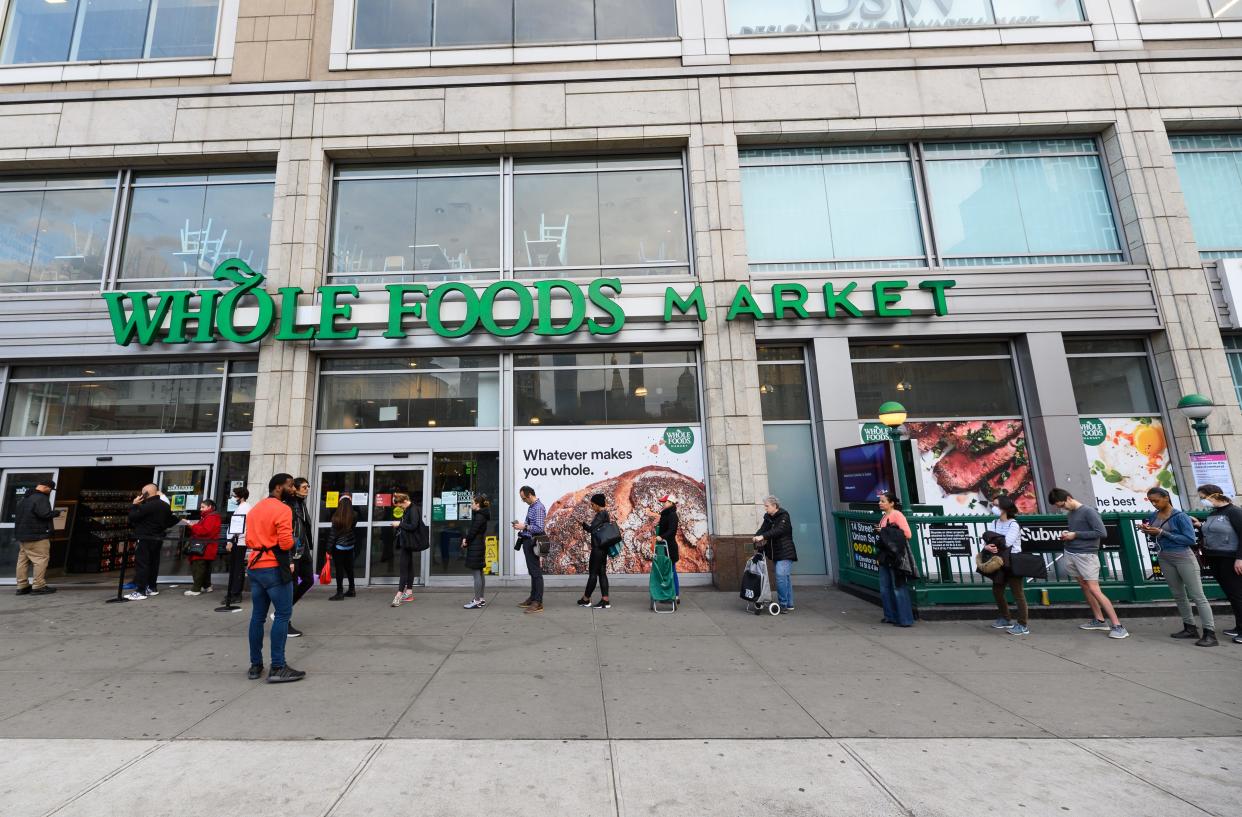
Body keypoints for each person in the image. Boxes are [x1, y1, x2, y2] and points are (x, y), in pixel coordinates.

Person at [245, 473, 304, 683]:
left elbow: (250, 537)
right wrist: (294, 542)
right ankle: (278, 666)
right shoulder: (283, 509)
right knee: (282, 615)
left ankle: (255, 665)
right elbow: (286, 542)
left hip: (255, 566)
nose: (293, 489)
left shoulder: (255, 509)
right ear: (278, 488)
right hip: (273, 567)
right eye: (290, 486)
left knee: (257, 617)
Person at [1049, 488, 1129, 639]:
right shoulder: (1072, 513)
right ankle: (1099, 620)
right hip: (1073, 553)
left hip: (1086, 555)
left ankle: (1118, 625)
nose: (1062, 509)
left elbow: (1101, 533)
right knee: (1085, 587)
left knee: (1094, 589)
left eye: (1062, 505)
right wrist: (1070, 535)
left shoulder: (1089, 511)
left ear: (1068, 498)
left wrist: (1075, 534)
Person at [1140, 487, 1216, 646]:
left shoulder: (1180, 516)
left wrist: (1162, 533)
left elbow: (1189, 539)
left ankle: (1210, 633)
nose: (1154, 504)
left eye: (1156, 500)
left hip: (1183, 557)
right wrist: (1148, 530)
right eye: (1151, 501)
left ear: (1166, 497)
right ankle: (1190, 627)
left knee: (1198, 596)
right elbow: (1157, 533)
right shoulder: (1154, 515)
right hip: (1165, 557)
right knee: (1178, 595)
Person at [1196, 484, 1242, 645]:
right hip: (1215, 556)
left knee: (1237, 593)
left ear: (1213, 495)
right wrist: (1200, 526)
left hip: (1230, 557)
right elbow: (1212, 532)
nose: (1202, 500)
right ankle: (1239, 626)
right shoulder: (1214, 513)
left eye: (1203, 497)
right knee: (1231, 593)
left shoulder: (1234, 512)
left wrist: (1240, 558)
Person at [984, 496, 1029, 636]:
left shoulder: (1013, 524)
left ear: (1004, 507)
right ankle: (1005, 617)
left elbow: (1007, 543)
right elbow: (988, 539)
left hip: (1013, 561)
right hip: (998, 560)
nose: (994, 507)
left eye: (996, 505)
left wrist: (992, 541)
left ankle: (1022, 624)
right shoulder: (995, 522)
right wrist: (987, 546)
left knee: (1018, 593)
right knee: (997, 590)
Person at [127, 484, 175, 601]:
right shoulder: (165, 506)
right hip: (158, 538)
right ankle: (152, 587)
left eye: (142, 493)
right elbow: (170, 521)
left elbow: (132, 518)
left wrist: (134, 505)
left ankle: (140, 591)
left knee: (142, 564)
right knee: (154, 563)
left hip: (145, 538)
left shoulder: (147, 506)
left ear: (145, 494)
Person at [14, 478, 61, 596]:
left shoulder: (24, 499)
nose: (50, 492)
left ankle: (22, 585)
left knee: (22, 561)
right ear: (46, 487)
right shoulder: (41, 498)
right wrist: (56, 513)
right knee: (40, 559)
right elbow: (45, 514)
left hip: (23, 536)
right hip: (37, 536)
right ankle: (38, 586)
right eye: (50, 489)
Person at [875, 491, 915, 627]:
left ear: (892, 503)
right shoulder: (884, 516)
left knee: (898, 586)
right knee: (885, 587)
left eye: (883, 501)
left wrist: (884, 531)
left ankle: (904, 619)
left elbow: (907, 534)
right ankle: (890, 616)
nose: (880, 503)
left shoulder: (897, 515)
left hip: (895, 556)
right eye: (880, 501)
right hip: (885, 555)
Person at [752, 495, 797, 613]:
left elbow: (778, 530)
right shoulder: (768, 517)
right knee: (785, 578)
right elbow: (762, 529)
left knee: (781, 576)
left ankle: (783, 604)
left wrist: (763, 536)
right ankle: (789, 603)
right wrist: (756, 536)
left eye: (767, 506)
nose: (765, 508)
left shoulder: (784, 516)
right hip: (776, 552)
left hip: (785, 551)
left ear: (774, 506)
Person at [282, 477, 314, 637]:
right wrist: (289, 557)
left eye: (308, 486)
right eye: (303, 487)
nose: (307, 489)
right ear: (294, 488)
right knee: (292, 586)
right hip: (293, 550)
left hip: (303, 548)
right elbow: (287, 532)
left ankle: (283, 611)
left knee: (308, 579)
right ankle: (285, 620)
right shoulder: (289, 505)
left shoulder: (301, 504)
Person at [512, 486, 546, 614]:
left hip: (533, 542)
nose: (523, 501)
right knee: (532, 572)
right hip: (528, 541)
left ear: (530, 495)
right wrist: (522, 527)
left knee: (536, 572)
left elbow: (539, 528)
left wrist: (523, 526)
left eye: (524, 498)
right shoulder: (532, 506)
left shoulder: (538, 507)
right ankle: (533, 598)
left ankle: (538, 602)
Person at [577, 493, 613, 610]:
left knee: (593, 574)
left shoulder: (601, 514)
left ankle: (586, 599)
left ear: (597, 504)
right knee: (602, 573)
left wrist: (583, 524)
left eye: (592, 504)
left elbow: (592, 529)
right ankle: (605, 600)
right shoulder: (605, 514)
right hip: (603, 548)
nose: (592, 507)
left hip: (598, 549)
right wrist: (584, 525)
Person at [391, 493, 426, 607]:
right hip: (407, 542)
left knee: (403, 568)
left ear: (404, 501)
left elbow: (413, 526)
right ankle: (409, 592)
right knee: (409, 567)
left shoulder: (413, 510)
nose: (400, 508)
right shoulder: (410, 509)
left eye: (400, 506)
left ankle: (399, 595)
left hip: (408, 542)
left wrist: (399, 524)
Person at [184, 499, 221, 596]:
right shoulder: (210, 516)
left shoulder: (211, 517)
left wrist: (192, 526)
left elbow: (205, 531)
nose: (201, 509)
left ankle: (196, 589)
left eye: (203, 507)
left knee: (198, 567)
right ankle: (206, 586)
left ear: (209, 507)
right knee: (205, 568)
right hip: (207, 546)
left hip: (204, 546)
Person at [221, 486, 251, 609]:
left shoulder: (244, 509)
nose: (233, 498)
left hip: (238, 542)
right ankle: (234, 592)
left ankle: (235, 593)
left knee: (236, 568)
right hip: (239, 541)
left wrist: (230, 541)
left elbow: (238, 526)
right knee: (236, 568)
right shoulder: (243, 507)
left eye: (235, 495)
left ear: (241, 497)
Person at [462, 495, 491, 609]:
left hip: (475, 545)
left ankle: (477, 600)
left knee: (476, 573)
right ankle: (481, 598)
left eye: (472, 503)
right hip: (479, 544)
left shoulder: (479, 516)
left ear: (478, 504)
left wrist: (466, 540)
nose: (471, 504)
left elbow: (473, 531)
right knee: (480, 572)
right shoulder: (482, 515)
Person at [327, 496, 357, 601]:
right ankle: (352, 589)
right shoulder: (354, 515)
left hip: (339, 547)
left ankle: (339, 592)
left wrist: (328, 550)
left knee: (339, 569)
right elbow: (353, 528)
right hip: (350, 545)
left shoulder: (336, 517)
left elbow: (332, 536)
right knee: (349, 568)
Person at [655, 494, 680, 603]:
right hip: (663, 547)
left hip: (669, 547)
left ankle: (676, 595)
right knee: (666, 571)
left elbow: (672, 531)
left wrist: (662, 536)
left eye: (665, 502)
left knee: (672, 571)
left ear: (670, 502)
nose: (663, 503)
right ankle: (667, 594)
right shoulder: (666, 514)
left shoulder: (672, 515)